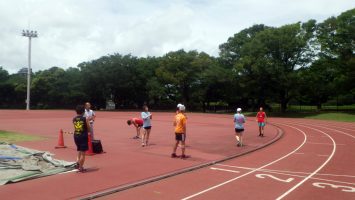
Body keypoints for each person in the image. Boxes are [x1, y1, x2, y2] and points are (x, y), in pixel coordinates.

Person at [73, 105, 91, 173]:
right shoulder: (85, 118)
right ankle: (81, 168)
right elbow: (89, 128)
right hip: (83, 136)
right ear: (83, 112)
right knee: (83, 153)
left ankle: (77, 163)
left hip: (76, 136)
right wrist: (88, 122)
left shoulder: (74, 119)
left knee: (79, 150)